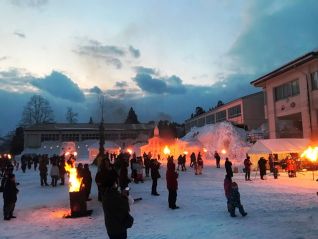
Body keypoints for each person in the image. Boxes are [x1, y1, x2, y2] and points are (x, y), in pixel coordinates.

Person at [102, 172, 132, 239]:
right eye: (116, 183)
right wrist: (124, 196)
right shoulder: (114, 196)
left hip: (110, 227)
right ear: (114, 184)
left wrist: (121, 195)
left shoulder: (105, 194)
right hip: (119, 228)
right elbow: (126, 208)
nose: (118, 184)